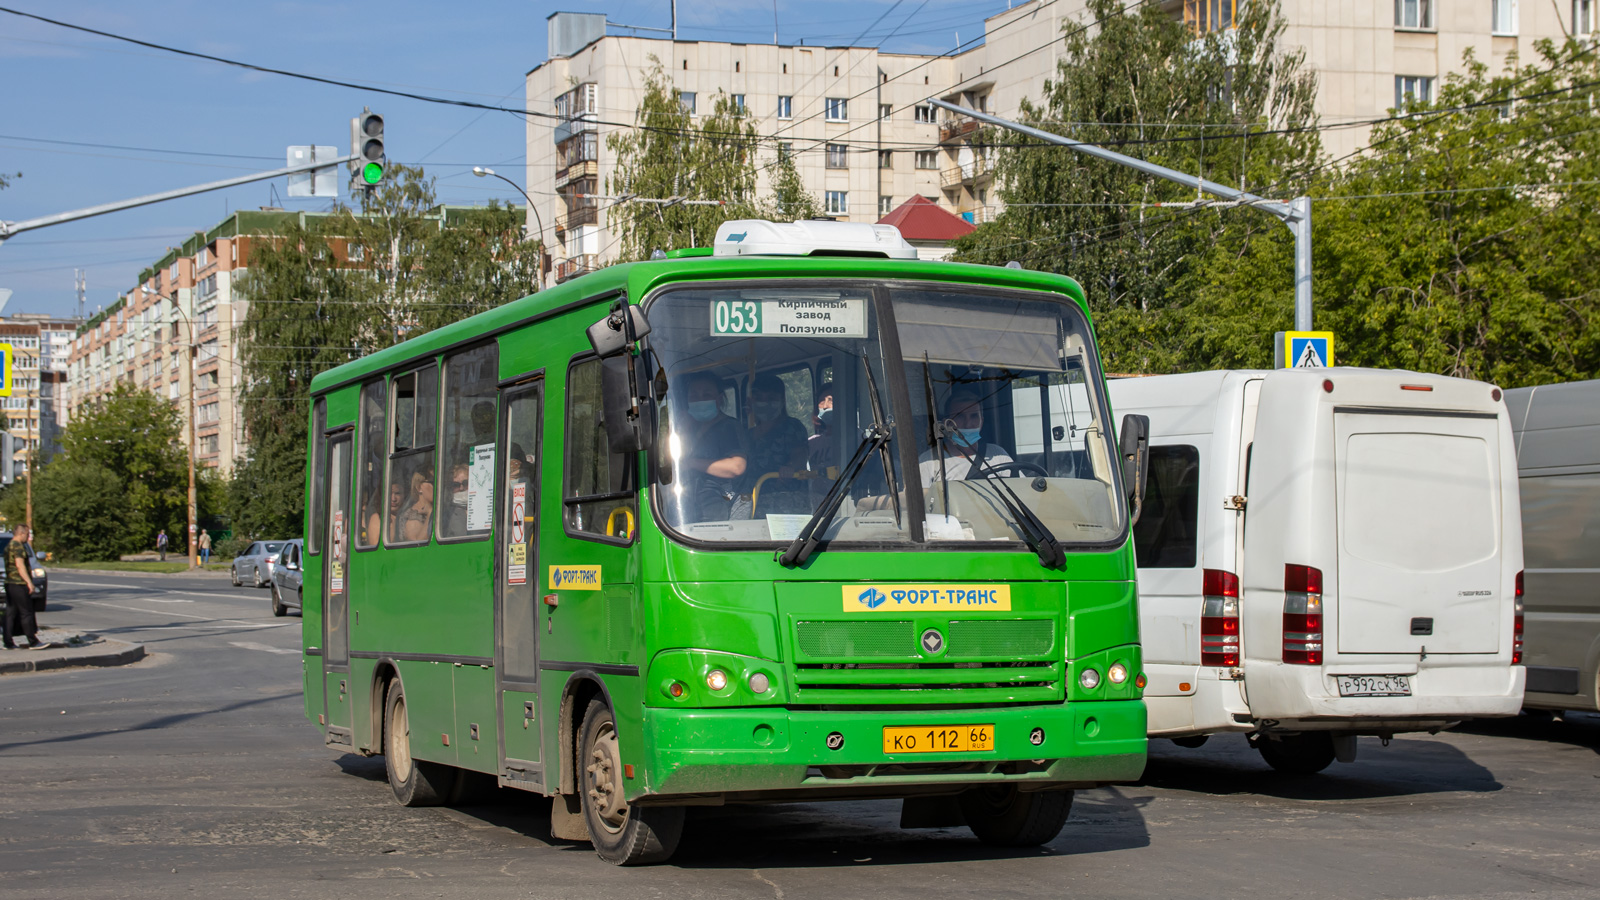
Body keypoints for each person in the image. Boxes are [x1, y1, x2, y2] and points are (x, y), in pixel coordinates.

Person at [671, 371, 747, 522]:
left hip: (719, 503)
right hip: (689, 500)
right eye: (694, 396)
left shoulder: (729, 427)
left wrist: (691, 463)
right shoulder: (690, 429)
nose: (700, 400)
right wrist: (683, 429)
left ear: (719, 399)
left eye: (706, 394)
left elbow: (736, 466)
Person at [919, 386, 1014, 488]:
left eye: (974, 416)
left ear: (981, 421)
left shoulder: (997, 454)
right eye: (960, 416)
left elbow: (1020, 489)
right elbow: (920, 500)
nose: (968, 424)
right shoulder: (930, 460)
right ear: (946, 423)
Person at [742, 373, 809, 514]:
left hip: (788, 505)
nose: (764, 403)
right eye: (759, 398)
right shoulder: (747, 435)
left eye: (771, 398)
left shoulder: (793, 427)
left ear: (782, 401)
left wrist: (790, 468)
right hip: (754, 504)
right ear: (751, 401)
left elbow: (800, 456)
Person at [3, 525, 46, 650]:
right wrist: (29, 582)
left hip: (10, 583)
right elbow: (20, 566)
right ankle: (33, 641)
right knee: (26, 612)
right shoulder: (18, 547)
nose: (28, 538)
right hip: (19, 583)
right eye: (27, 535)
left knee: (10, 613)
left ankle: (8, 642)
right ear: (21, 533)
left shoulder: (9, 545)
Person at [399, 472, 435, 542]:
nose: (437, 486)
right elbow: (418, 546)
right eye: (432, 482)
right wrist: (430, 512)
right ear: (419, 488)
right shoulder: (412, 516)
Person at [443, 463, 470, 536]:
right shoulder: (445, 512)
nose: (461, 488)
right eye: (456, 485)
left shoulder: (481, 508)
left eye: (466, 483)